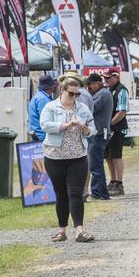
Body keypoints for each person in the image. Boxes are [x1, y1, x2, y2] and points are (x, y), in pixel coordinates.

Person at [40, 78, 97, 242]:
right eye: (70, 93)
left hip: (78, 156)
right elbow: (44, 125)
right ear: (62, 91)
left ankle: (79, 230)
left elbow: (94, 128)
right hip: (55, 157)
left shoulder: (83, 108)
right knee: (61, 194)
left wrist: (87, 130)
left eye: (76, 94)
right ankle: (62, 230)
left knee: (76, 193)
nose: (74, 97)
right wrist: (65, 125)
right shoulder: (50, 107)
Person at [85, 73, 113, 200]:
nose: (88, 88)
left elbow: (90, 109)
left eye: (89, 85)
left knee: (95, 165)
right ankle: (103, 193)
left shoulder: (101, 94)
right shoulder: (104, 93)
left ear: (97, 83)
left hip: (99, 133)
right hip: (101, 132)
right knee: (97, 164)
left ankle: (97, 193)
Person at [102, 70, 129, 196]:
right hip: (109, 129)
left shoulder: (121, 90)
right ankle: (113, 181)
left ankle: (119, 182)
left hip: (117, 129)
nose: (106, 80)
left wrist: (110, 123)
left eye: (108, 77)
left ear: (116, 77)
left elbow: (122, 111)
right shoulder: (108, 90)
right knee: (108, 156)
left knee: (116, 156)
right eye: (105, 77)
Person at [28, 75, 57, 141]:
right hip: (42, 136)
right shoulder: (43, 99)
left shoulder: (39, 95)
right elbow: (46, 119)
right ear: (51, 87)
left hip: (38, 134)